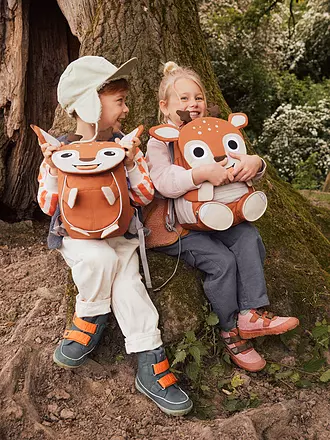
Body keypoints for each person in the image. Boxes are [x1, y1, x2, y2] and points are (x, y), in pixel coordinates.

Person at [37, 56, 192, 416]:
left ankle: (149, 363)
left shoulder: (125, 145)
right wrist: (54, 168)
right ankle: (90, 316)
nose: (125, 109)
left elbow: (142, 197)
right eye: (119, 101)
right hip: (78, 238)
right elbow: (48, 205)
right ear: (91, 103)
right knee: (99, 259)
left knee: (131, 288)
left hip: (120, 237)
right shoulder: (60, 148)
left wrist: (131, 163)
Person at [146, 61, 299, 372]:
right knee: (222, 262)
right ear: (165, 106)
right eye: (184, 99)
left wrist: (255, 163)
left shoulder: (213, 129)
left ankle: (251, 314)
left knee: (249, 238)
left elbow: (237, 158)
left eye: (198, 98)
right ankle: (230, 330)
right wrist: (199, 173)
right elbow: (161, 181)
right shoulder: (161, 140)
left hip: (225, 217)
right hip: (182, 229)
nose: (193, 105)